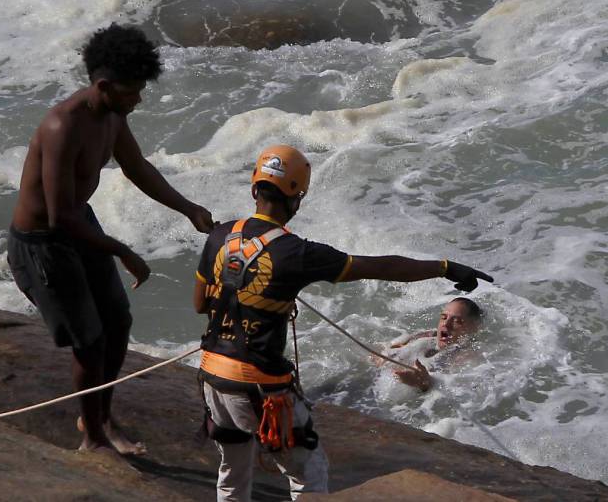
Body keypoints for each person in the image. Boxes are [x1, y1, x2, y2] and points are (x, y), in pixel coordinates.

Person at [193, 144, 493, 501]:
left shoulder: (220, 236)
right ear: (296, 198)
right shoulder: (297, 252)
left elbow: (200, 304)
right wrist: (444, 267)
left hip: (213, 376)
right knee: (309, 472)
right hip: (259, 387)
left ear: (255, 188)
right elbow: (380, 267)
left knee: (232, 472)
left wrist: (253, 297)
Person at [6, 24, 215, 455]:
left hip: (79, 223)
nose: (138, 99)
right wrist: (122, 251)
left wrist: (188, 208)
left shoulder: (113, 117)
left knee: (118, 322)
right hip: (44, 242)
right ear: (103, 86)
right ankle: (94, 438)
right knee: (90, 341)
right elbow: (60, 215)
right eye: (131, 91)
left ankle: (100, 414)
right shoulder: (62, 126)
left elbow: (137, 168)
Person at [388, 297, 484, 393]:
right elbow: (389, 349)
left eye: (456, 321)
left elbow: (460, 392)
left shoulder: (470, 358)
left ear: (474, 327)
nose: (446, 324)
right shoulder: (425, 336)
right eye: (444, 317)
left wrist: (424, 384)